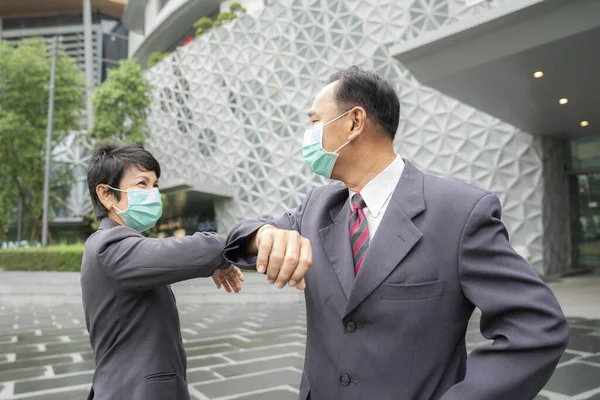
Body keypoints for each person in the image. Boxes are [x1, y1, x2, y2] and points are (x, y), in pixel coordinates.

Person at [223, 66, 570, 400]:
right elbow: (240, 235)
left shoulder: (460, 212)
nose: (308, 135)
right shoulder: (317, 206)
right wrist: (264, 234)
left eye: (315, 122)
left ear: (354, 123)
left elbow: (535, 327)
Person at [81, 143, 243, 400]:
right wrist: (234, 246)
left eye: (155, 185)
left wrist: (217, 262)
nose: (153, 193)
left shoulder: (120, 244)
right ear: (107, 194)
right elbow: (184, 252)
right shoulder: (109, 246)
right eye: (142, 184)